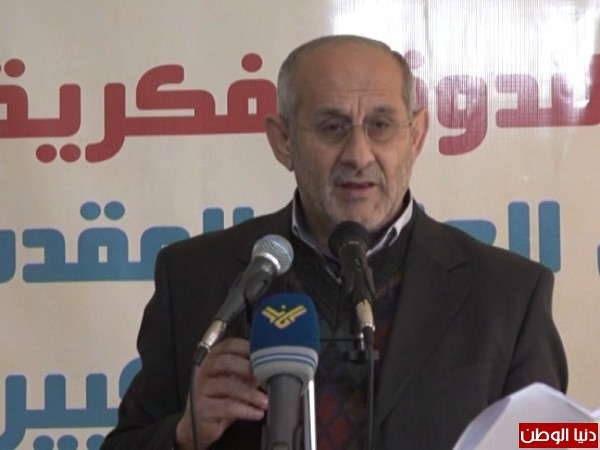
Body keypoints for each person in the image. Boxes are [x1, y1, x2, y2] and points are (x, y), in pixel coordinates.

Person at [101, 35, 568, 450]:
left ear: (416, 136)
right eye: (332, 127)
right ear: (283, 141)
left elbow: (558, 440)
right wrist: (184, 435)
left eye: (381, 125)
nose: (359, 155)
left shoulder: (508, 293)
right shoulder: (195, 278)